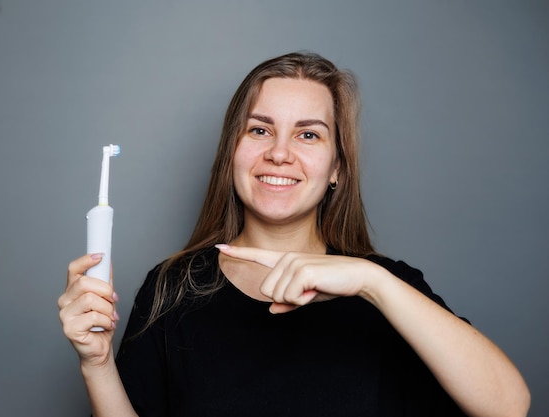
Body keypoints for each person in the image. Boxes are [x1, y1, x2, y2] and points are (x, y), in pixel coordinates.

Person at [58, 52, 530, 417]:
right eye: (260, 130)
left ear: (337, 170)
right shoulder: (170, 287)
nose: (280, 154)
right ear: (233, 154)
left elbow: (509, 406)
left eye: (308, 135)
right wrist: (96, 364)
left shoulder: (387, 287)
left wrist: (372, 283)